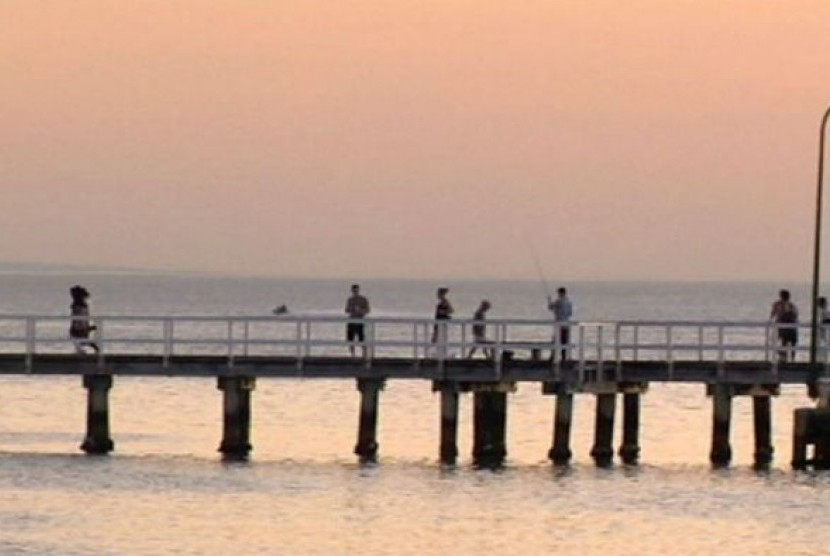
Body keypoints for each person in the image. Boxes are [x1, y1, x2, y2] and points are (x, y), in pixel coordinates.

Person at [770, 289, 798, 362]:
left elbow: (773, 314)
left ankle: (788, 359)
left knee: (788, 342)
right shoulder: (788, 305)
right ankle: (786, 358)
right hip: (787, 326)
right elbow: (795, 315)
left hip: (788, 326)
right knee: (786, 342)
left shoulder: (790, 305)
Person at [69, 285, 99, 354]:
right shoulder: (81, 305)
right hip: (80, 326)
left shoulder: (78, 305)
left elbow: (79, 317)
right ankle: (83, 351)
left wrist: (85, 328)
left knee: (79, 339)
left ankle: (82, 352)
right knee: (81, 341)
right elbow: (81, 317)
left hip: (79, 327)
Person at [547, 287, 572, 362]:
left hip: (559, 324)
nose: (558, 295)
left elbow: (550, 307)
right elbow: (570, 313)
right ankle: (564, 358)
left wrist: (549, 300)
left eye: (558, 293)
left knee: (555, 341)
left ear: (561, 293)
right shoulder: (569, 302)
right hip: (566, 324)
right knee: (564, 342)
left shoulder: (559, 301)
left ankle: (552, 357)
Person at [345, 284, 370, 356]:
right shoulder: (350, 300)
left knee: (361, 338)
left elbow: (368, 310)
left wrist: (360, 311)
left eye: (356, 290)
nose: (355, 292)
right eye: (353, 291)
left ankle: (364, 354)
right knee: (350, 339)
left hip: (360, 321)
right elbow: (347, 310)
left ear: (358, 290)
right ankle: (352, 354)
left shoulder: (363, 299)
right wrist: (352, 309)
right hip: (351, 321)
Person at [431, 287, 454, 355]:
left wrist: (443, 312)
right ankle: (437, 352)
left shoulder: (445, 301)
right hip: (438, 321)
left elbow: (451, 310)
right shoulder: (442, 302)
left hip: (440, 322)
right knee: (436, 338)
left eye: (438, 294)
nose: (437, 295)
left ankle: (441, 353)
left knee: (437, 338)